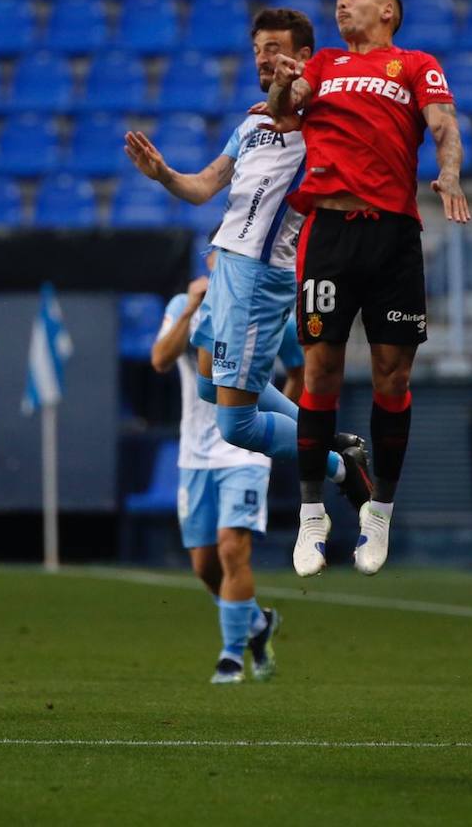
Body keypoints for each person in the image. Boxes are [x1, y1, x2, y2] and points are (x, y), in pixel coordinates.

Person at [123, 8, 371, 566]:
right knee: (215, 391)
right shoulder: (251, 124)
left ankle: (337, 467)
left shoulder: (322, 124)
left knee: (236, 424)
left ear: (304, 58)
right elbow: (203, 186)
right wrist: (163, 173)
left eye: (275, 46)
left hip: (261, 279)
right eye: (258, 47)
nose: (263, 56)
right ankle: (329, 439)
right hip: (224, 270)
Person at [261, 0, 471, 577]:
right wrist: (281, 87)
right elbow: (284, 112)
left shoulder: (413, 64)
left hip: (392, 234)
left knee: (392, 373)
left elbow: (444, 125)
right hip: (327, 234)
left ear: (387, 11)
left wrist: (450, 170)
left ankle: (378, 510)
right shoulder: (322, 64)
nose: (342, 2)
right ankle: (310, 516)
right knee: (320, 367)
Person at [152, 252, 286, 684]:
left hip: (243, 446)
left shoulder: (260, 304)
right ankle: (256, 624)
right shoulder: (182, 306)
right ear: (212, 260)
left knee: (232, 548)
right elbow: (160, 359)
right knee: (205, 566)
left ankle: (231, 657)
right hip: (196, 453)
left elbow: (295, 364)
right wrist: (192, 307)